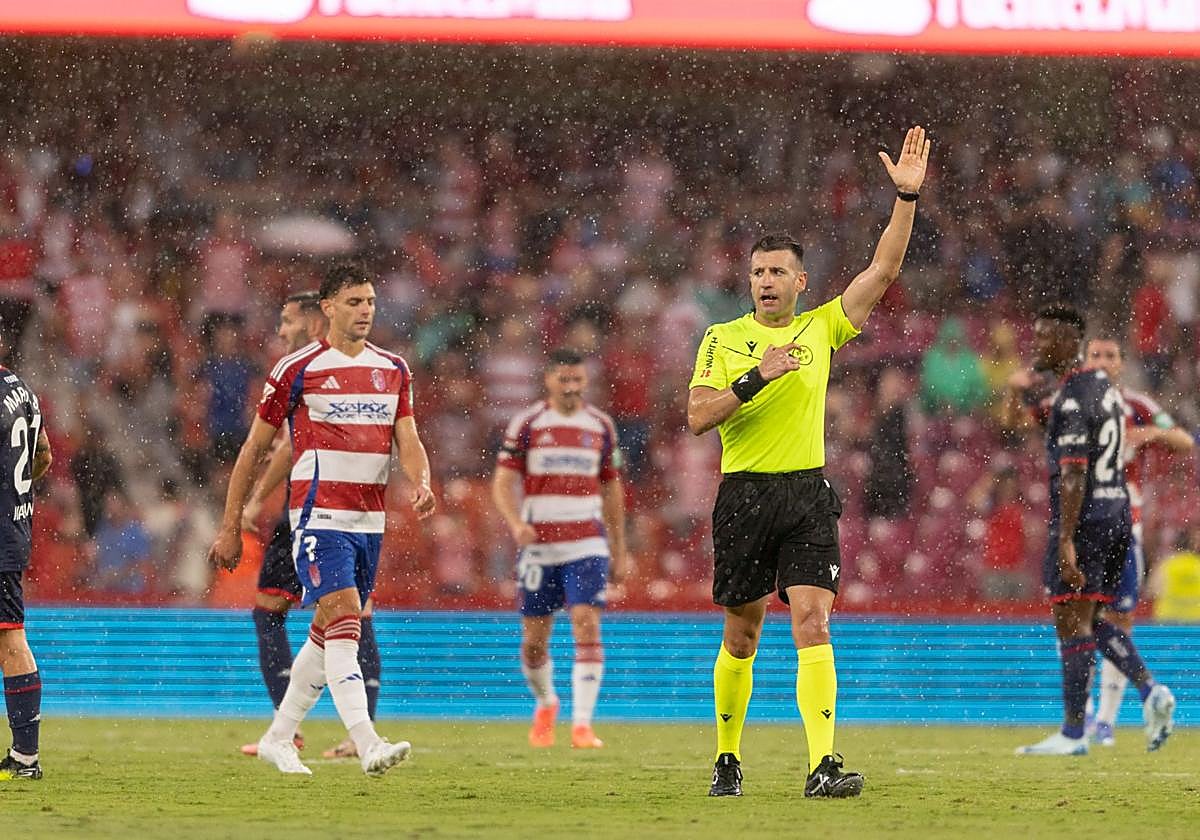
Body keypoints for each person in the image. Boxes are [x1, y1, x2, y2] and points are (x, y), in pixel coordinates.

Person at [687, 125, 931, 798]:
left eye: (777, 272)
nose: (766, 281)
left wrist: (905, 199)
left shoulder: (823, 325)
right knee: (742, 633)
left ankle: (823, 764)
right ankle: (728, 759)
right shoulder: (724, 338)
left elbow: (882, 271)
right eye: (757, 272)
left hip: (804, 494)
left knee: (813, 620)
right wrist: (755, 377)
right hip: (742, 493)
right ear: (750, 281)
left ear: (800, 280)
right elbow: (698, 417)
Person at [208, 262, 436, 776]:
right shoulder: (297, 369)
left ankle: (278, 737)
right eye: (354, 302)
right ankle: (368, 741)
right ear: (328, 307)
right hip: (318, 518)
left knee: (322, 632)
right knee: (346, 622)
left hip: (369, 521)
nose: (365, 312)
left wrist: (421, 483)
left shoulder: (394, 369)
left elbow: (409, 439)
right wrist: (229, 524)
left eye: (371, 302)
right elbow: (254, 449)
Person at [1015, 306, 1175, 756]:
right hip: (1118, 512)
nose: (1038, 344)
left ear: (1070, 343)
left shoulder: (1071, 399)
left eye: (1047, 337)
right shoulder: (1103, 389)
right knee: (1095, 619)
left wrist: (1065, 537)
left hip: (1084, 519)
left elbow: (1072, 474)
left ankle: (1072, 734)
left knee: (1070, 620)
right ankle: (1150, 691)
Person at [236, 291, 385, 760]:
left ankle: (297, 732)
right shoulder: (310, 369)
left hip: (317, 505)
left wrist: (255, 499)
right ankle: (324, 734)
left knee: (294, 613)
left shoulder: (307, 368)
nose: (281, 331)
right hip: (345, 508)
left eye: (286, 320)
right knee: (344, 615)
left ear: (312, 319)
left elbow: (282, 450)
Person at [491, 349, 629, 750]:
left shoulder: (601, 426)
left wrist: (619, 549)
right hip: (540, 548)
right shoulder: (529, 423)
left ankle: (583, 725)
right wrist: (516, 523)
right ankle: (547, 702)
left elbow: (612, 488)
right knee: (535, 641)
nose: (571, 387)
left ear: (586, 381)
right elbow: (502, 482)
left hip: (587, 542)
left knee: (586, 621)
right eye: (563, 380)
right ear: (548, 381)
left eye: (577, 380)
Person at [1080, 336, 1193, 746]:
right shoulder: (1074, 405)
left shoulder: (1138, 405)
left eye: (1111, 355)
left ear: (1121, 363)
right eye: (1096, 354)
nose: (1103, 361)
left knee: (1114, 623)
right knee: (1078, 621)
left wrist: (1146, 434)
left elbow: (1183, 439)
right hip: (1084, 528)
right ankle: (1086, 714)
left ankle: (1104, 722)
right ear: (1084, 360)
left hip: (1126, 528)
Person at [0, 364, 53, 780]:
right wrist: (15, 497)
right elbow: (44, 457)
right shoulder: (23, 390)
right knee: (10, 638)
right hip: (11, 532)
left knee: (10, 639)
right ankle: (25, 756)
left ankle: (26, 758)